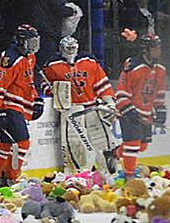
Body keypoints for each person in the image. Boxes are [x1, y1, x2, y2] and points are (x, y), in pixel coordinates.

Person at [41, 36, 117, 173]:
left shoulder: (89, 61)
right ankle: (78, 175)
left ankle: (109, 175)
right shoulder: (52, 64)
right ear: (61, 49)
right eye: (67, 48)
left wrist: (110, 102)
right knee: (74, 143)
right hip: (72, 110)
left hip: (92, 107)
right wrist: (55, 92)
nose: (70, 51)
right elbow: (44, 85)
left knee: (102, 143)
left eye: (72, 48)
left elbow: (102, 83)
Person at [0, 24, 43, 187]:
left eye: (35, 42)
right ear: (21, 41)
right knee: (22, 142)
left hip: (19, 107)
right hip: (8, 107)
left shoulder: (30, 57)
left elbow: (29, 82)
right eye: (31, 42)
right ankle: (10, 176)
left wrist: (36, 100)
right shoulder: (10, 58)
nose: (34, 46)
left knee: (7, 143)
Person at [115, 33, 167, 179]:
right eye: (155, 48)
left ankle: (113, 154)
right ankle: (129, 177)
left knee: (143, 146)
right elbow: (121, 90)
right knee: (132, 144)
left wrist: (161, 109)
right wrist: (127, 109)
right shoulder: (132, 66)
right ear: (145, 50)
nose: (158, 51)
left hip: (146, 112)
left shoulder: (160, 69)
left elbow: (159, 91)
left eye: (159, 48)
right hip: (128, 110)